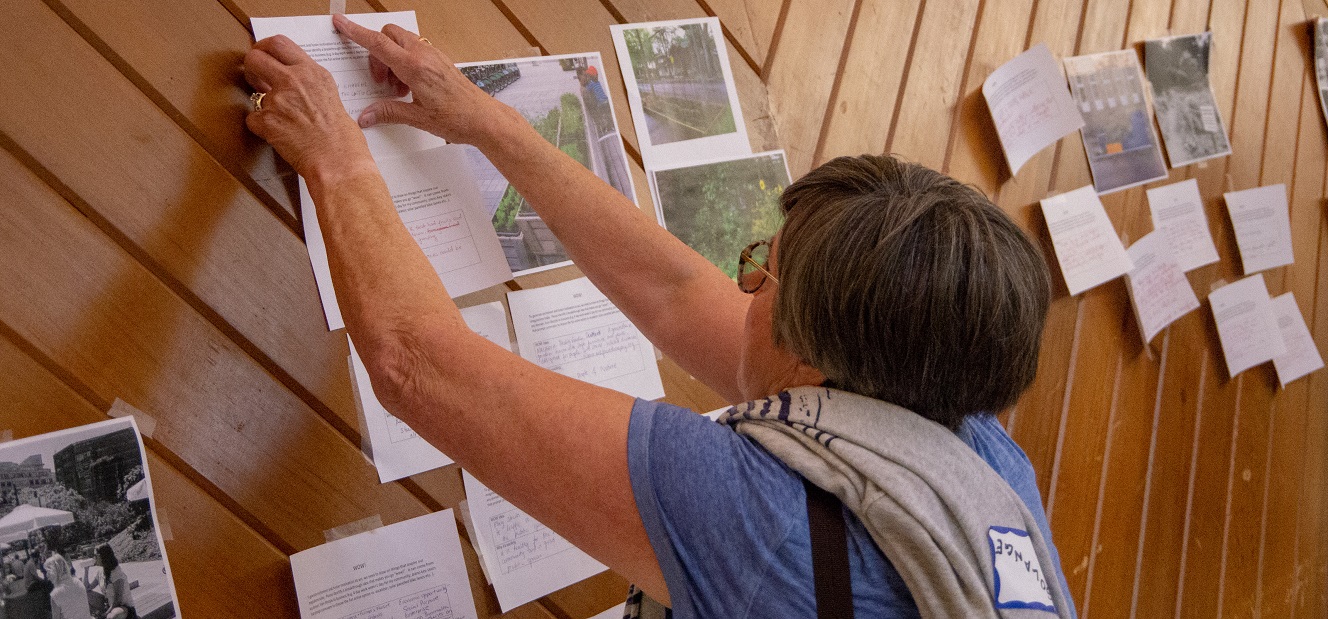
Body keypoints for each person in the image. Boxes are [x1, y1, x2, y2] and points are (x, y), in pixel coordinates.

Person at [244, 16, 1078, 617]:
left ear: (813, 361)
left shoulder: (759, 518)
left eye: (763, 272)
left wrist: (336, 156)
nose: (744, 286)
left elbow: (415, 363)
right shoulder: (966, 441)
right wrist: (486, 121)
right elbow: (676, 294)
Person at [91, 546, 133, 619]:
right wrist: (86, 570)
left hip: (123, 607)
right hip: (109, 606)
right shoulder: (100, 571)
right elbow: (87, 588)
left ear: (102, 556)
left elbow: (118, 600)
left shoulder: (116, 572)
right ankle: (98, 615)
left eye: (95, 555)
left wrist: (106, 613)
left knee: (113, 616)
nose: (93, 558)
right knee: (87, 594)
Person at [44, 555, 92, 619]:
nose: (47, 575)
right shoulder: (78, 582)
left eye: (48, 571)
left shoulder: (55, 594)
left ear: (54, 571)